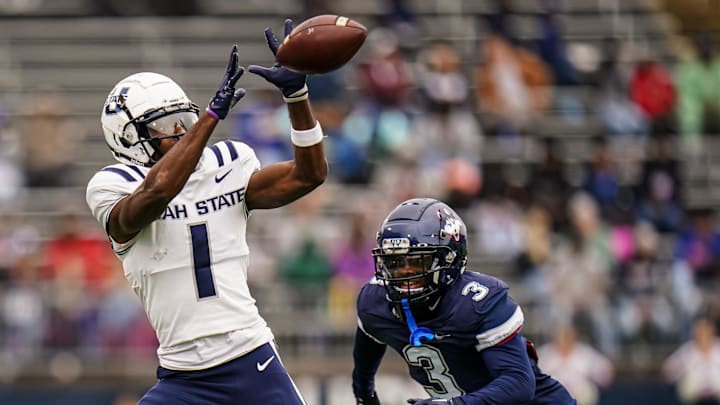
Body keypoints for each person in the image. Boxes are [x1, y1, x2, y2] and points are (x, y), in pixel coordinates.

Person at [85, 19, 327, 404]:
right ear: (128, 137)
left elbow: (308, 175)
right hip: (182, 378)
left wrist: (297, 97)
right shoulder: (113, 184)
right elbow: (157, 192)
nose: (181, 131)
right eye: (165, 125)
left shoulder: (228, 162)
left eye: (184, 119)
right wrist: (209, 119)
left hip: (250, 358)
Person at [352, 198, 577, 404]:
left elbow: (518, 385)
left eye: (417, 263)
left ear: (449, 259)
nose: (405, 274)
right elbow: (368, 341)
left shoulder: (477, 302)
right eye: (395, 263)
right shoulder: (375, 301)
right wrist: (365, 394)